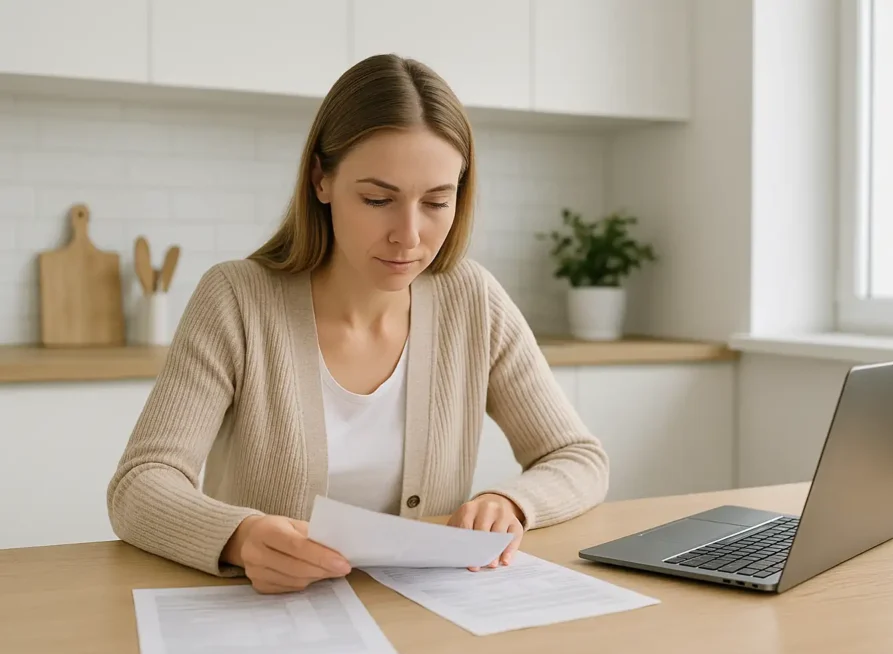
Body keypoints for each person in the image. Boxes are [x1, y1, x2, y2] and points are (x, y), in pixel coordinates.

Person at [106, 53, 610, 595]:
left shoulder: (473, 300)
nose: (409, 235)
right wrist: (241, 537)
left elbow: (577, 458)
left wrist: (513, 502)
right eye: (378, 199)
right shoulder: (237, 299)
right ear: (322, 180)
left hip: (425, 616)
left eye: (437, 201)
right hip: (271, 619)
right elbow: (141, 483)